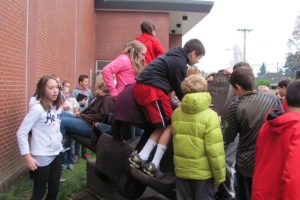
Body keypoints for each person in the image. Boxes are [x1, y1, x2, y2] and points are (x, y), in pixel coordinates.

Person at [129, 38, 206, 178]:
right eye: (199, 58)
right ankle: (153, 164)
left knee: (159, 125)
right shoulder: (179, 63)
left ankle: (141, 156)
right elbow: (181, 91)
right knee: (170, 123)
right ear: (193, 53)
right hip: (153, 90)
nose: (198, 61)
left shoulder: (174, 55)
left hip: (144, 88)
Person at [224, 66, 283, 200]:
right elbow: (280, 125)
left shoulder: (236, 106)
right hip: (269, 160)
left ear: (238, 87)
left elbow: (228, 136)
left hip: (246, 163)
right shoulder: (272, 100)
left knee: (246, 195)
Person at [172, 74, 226, 200]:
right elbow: (215, 151)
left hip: (182, 172)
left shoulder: (176, 113)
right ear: (204, 89)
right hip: (203, 175)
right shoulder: (211, 116)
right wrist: (220, 177)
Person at [16, 75, 63, 200]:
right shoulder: (37, 109)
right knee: (39, 192)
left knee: (54, 190)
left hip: (57, 152)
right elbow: (21, 133)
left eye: (57, 87)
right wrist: (27, 156)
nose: (55, 91)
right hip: (42, 155)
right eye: (51, 88)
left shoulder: (57, 107)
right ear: (43, 90)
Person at [252, 80, 300, 199]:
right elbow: (293, 178)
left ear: (286, 101)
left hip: (262, 193)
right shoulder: (297, 129)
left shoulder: (267, 125)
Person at [60, 74, 114, 145]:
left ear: (100, 83)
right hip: (85, 119)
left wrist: (83, 116)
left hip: (91, 126)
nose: (94, 84)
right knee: (60, 114)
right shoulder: (99, 95)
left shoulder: (107, 98)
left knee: (61, 121)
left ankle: (60, 150)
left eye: (96, 82)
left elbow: (102, 116)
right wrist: (81, 115)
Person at [71, 75, 93, 159]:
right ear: (80, 82)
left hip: (86, 115)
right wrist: (80, 103)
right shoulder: (75, 92)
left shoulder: (89, 91)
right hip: (77, 114)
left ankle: (84, 153)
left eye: (87, 81)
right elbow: (72, 104)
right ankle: (76, 154)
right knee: (77, 133)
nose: (87, 83)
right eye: (85, 81)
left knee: (84, 134)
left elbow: (91, 102)